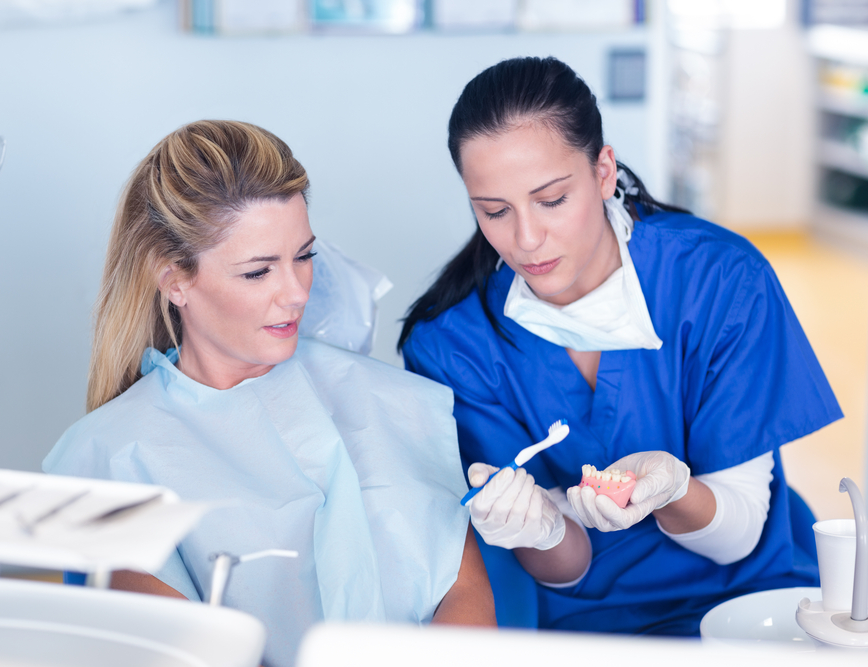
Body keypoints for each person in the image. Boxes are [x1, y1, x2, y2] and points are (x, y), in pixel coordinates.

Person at [399, 56, 841, 635]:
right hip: (589, 624)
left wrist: (674, 490)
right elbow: (567, 568)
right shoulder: (454, 344)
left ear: (603, 171)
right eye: (494, 211)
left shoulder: (721, 280)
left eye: (552, 200)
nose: (527, 240)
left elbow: (735, 538)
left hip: (749, 597)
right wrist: (544, 530)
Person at [43, 120, 495, 667]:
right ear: (175, 280)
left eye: (304, 256)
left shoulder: (390, 398)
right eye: (258, 272)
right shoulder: (116, 457)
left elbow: (463, 592)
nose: (297, 292)